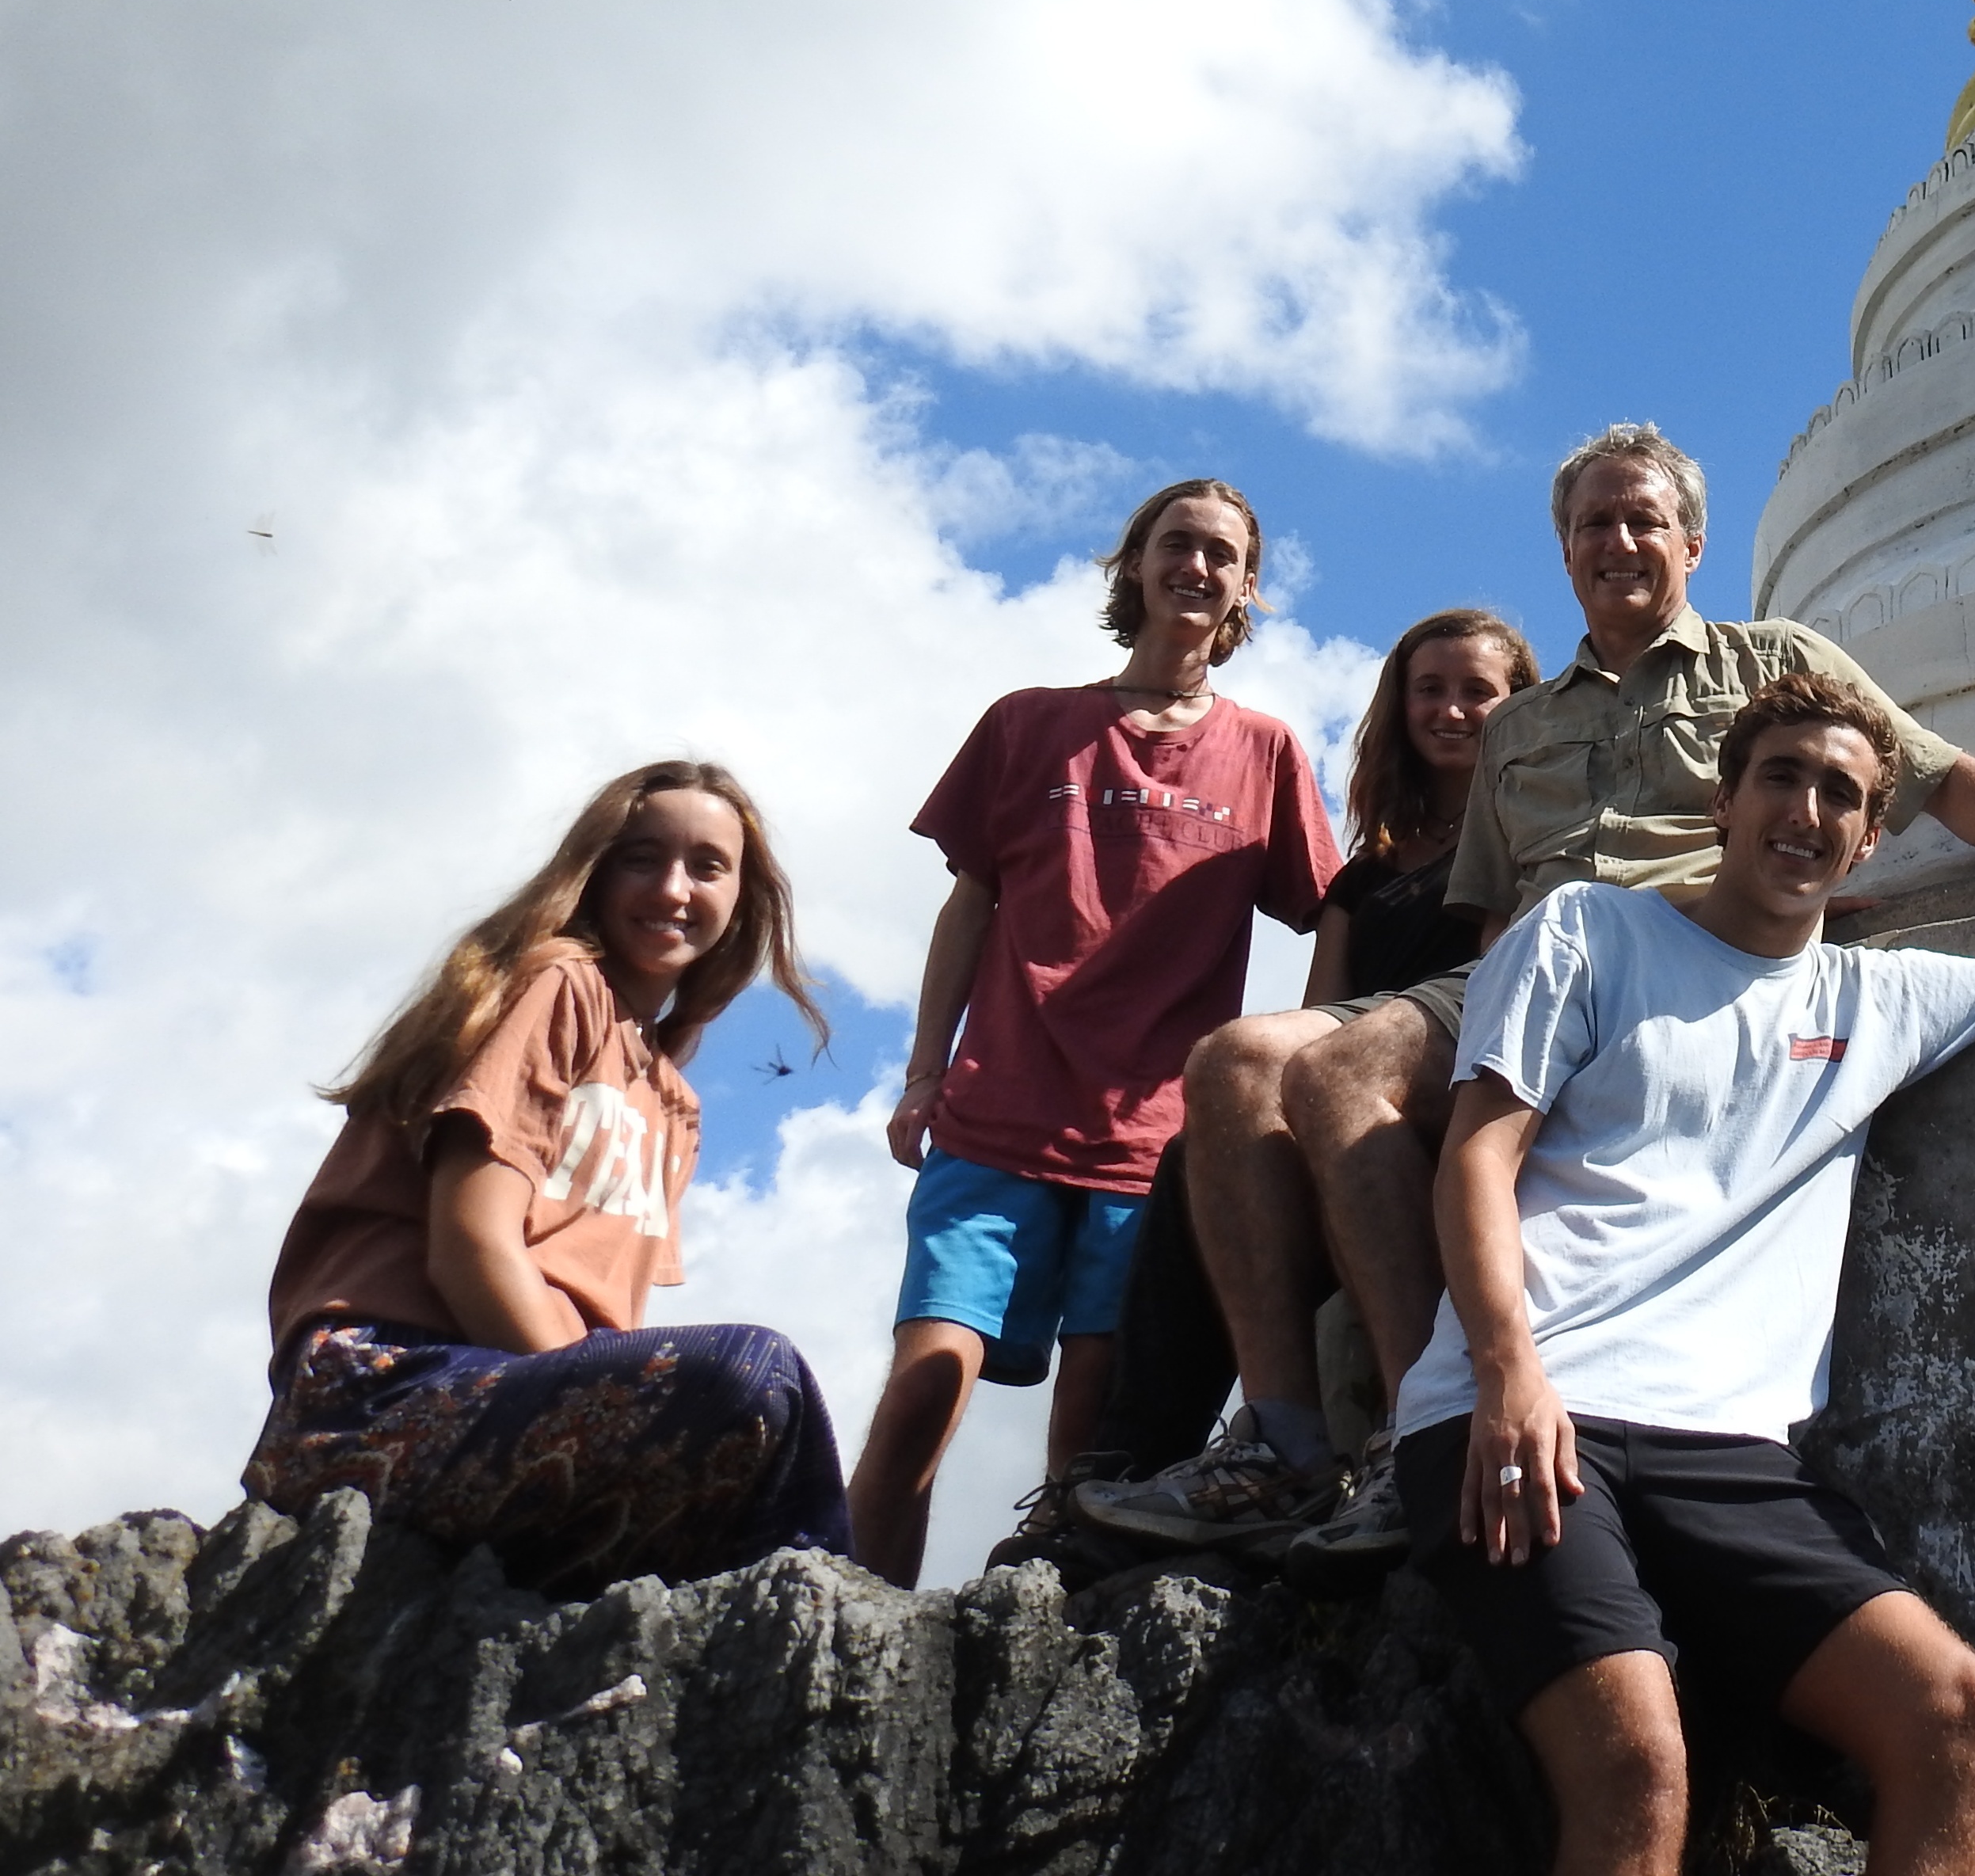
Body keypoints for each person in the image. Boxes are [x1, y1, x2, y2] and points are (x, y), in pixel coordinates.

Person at [1078, 424, 1975, 1575]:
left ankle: (1410, 1437)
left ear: (1692, 543)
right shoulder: (1519, 729)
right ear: (1564, 546)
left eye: (1643, 519)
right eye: (1594, 522)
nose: (1618, 541)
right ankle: (1281, 1444)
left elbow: (1933, 777)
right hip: (1521, 970)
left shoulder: (1766, 663)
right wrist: (1472, 1050)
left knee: (1337, 1072)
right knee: (1234, 1064)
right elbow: (1489, 922)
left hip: (1678, 961)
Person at [1402, 673, 1975, 1876]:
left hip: (1731, 1456)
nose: (1805, 810)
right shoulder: (1590, 929)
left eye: (1839, 794)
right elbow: (1478, 1152)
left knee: (1953, 1711)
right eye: (1781, 778)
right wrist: (1507, 1372)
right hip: (1529, 1410)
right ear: (1725, 804)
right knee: (1637, 1768)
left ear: (1868, 841)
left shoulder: (1878, 998)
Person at [847, 478, 1335, 1584]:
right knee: (923, 1390)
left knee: (1091, 1437)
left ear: (1247, 587)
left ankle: (1040, 1636)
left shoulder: (1264, 753)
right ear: (1132, 564)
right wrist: (924, 1073)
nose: (1197, 567)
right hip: (997, 1112)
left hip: (1152, 1146)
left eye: (1222, 553)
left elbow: (1332, 912)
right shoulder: (1028, 725)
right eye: (1176, 544)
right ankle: (855, 1618)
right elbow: (970, 902)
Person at [247, 761, 851, 1598]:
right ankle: (821, 1611)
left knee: (753, 1452)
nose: (673, 888)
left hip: (521, 1398)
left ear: (742, 898)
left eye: (707, 866)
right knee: (750, 1370)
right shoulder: (560, 984)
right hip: (376, 1394)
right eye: (642, 858)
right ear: (596, 872)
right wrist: (614, 1398)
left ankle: (805, 1633)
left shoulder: (673, 1103)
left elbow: (606, 1310)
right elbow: (470, 1244)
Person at [1070, 608, 1535, 1565]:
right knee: (1197, 1158)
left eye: (1477, 691)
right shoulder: (1365, 878)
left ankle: (1408, 1433)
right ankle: (1192, 1452)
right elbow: (1320, 1017)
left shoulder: (1532, 836)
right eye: (1429, 690)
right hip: (1348, 1067)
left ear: (1519, 707)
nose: (1451, 709)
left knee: (1254, 1083)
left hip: (1454, 1067)